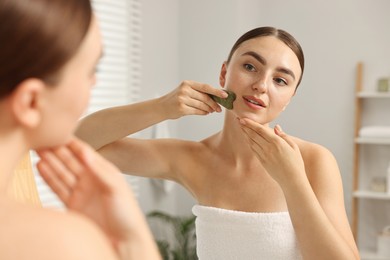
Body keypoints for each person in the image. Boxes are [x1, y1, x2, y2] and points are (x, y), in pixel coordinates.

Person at [76, 27, 360, 259]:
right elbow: (79, 142)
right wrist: (162, 107)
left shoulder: (313, 161)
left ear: (289, 100)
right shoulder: (191, 158)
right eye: (250, 66)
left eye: (280, 80)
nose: (261, 84)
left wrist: (293, 182)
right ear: (224, 74)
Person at [0, 0, 161, 259]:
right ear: (31, 101)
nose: (94, 83)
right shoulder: (63, 244)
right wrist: (135, 244)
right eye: (91, 71)